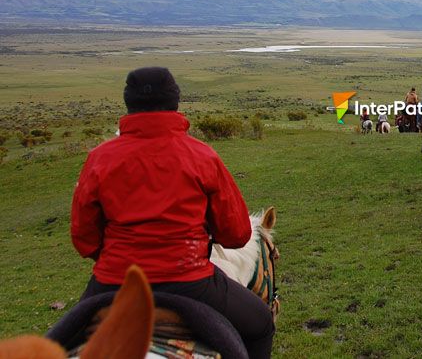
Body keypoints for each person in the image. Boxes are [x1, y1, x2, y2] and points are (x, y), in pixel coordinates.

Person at [71, 67, 274, 359]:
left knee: (57, 340)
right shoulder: (202, 156)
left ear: (129, 104)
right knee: (261, 324)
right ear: (175, 102)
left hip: (114, 282)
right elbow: (237, 234)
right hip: (190, 282)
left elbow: (84, 239)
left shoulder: (99, 159)